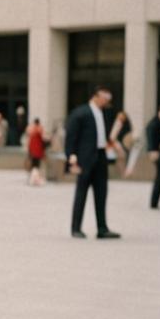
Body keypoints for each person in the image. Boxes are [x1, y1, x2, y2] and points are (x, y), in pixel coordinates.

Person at [65, 86, 121, 239]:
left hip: (101, 156)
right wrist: (71, 157)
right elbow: (71, 138)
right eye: (105, 97)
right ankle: (76, 228)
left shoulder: (104, 113)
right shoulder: (80, 113)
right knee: (81, 193)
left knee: (101, 193)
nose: (107, 100)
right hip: (85, 158)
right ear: (96, 96)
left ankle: (102, 228)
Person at [25, 117, 47, 185]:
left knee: (33, 164)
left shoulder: (31, 129)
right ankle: (35, 179)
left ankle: (32, 178)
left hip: (32, 149)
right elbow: (43, 139)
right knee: (36, 165)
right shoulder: (39, 129)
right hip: (38, 150)